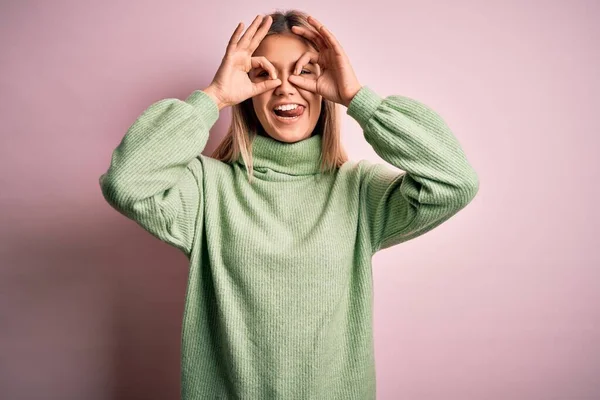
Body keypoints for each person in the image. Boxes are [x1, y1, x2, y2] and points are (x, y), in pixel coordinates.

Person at [99, 9, 479, 400]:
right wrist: (213, 97)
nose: (285, 88)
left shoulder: (360, 190)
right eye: (264, 74)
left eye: (304, 72)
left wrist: (357, 98)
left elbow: (454, 182)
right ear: (245, 91)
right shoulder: (206, 188)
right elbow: (127, 183)